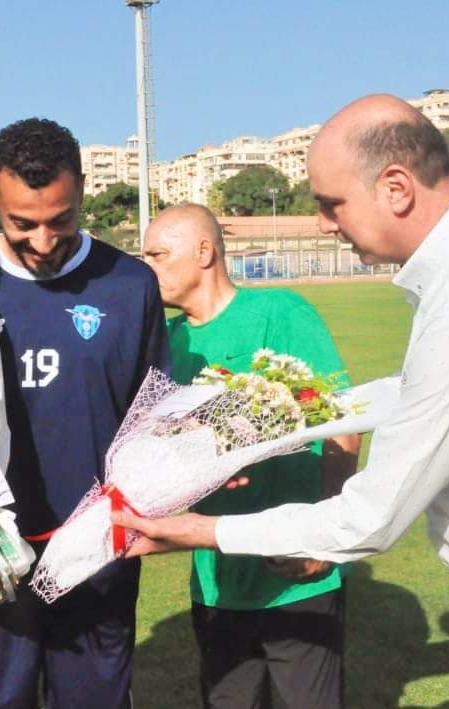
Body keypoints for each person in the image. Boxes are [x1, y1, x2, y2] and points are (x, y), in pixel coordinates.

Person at [115, 95, 449, 709]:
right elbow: (422, 388)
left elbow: (372, 517)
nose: (325, 223)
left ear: (396, 188)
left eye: (332, 203)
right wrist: (287, 415)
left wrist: (201, 530)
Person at [0, 117, 170, 709]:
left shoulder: (130, 284)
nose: (44, 240)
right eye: (22, 223)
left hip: (96, 549)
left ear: (81, 190)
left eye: (61, 219)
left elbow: (153, 413)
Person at [142, 204, 360, 708]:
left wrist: (325, 532)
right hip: (217, 580)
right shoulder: (169, 342)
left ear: (204, 252)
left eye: (158, 255)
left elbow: (344, 427)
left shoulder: (280, 313)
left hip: (298, 573)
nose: (147, 268)